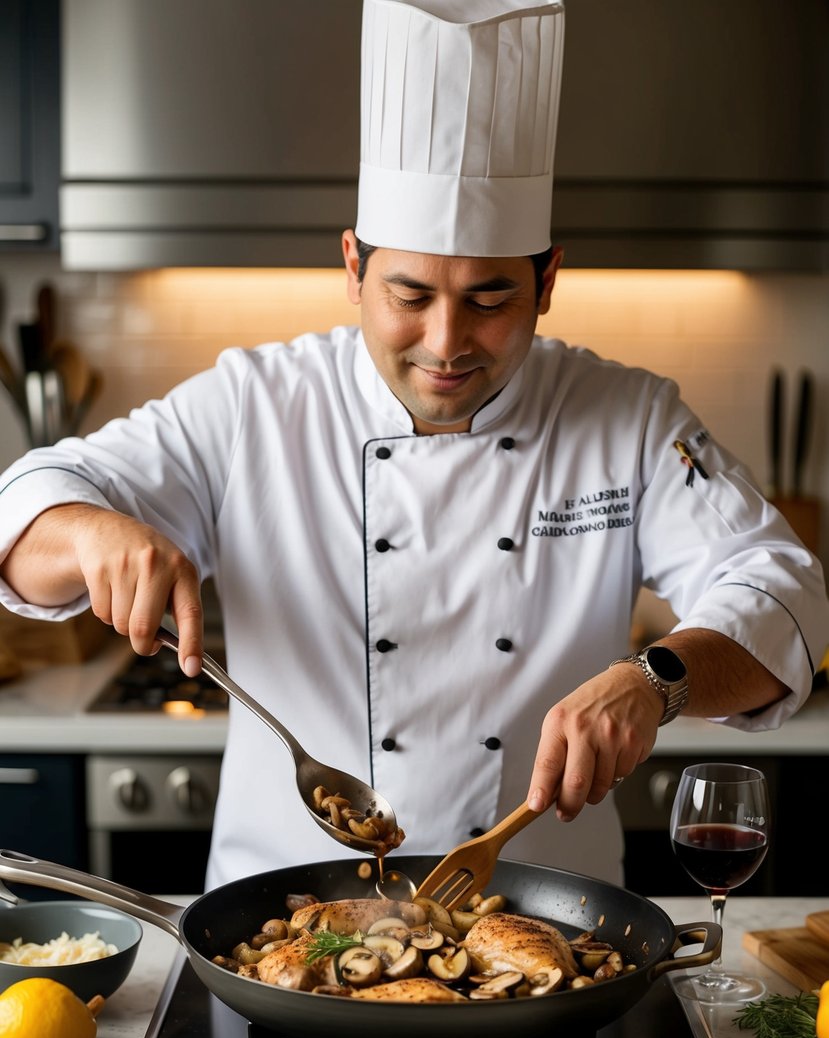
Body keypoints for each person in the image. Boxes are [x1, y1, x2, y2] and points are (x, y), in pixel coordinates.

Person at [0, 0, 827, 892]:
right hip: (283, 929)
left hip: (550, 934)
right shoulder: (253, 404)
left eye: (488, 298)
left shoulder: (625, 416)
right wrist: (88, 530)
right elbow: (30, 508)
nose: (445, 342)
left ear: (548, 280)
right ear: (352, 266)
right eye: (407, 294)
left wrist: (656, 681)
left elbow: (787, 594)